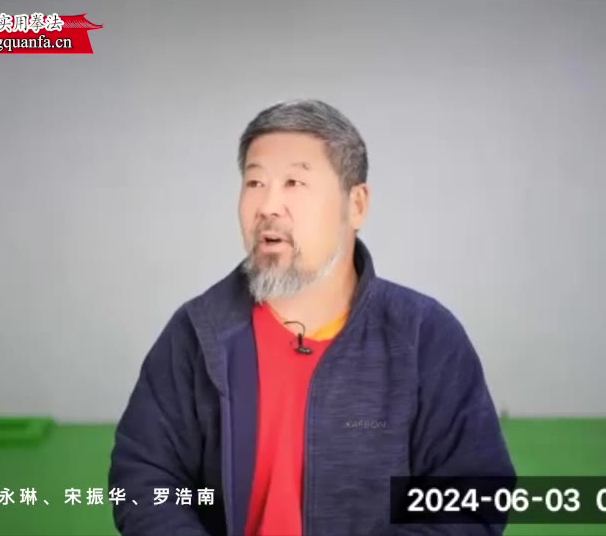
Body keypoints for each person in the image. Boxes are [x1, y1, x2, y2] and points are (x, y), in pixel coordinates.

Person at [109, 99, 515, 536]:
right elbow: (143, 480)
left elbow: (475, 496)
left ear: (356, 205)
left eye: (294, 182)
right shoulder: (197, 332)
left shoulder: (424, 336)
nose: (268, 206)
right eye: (255, 182)